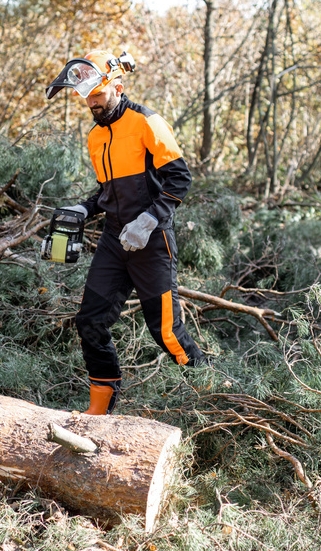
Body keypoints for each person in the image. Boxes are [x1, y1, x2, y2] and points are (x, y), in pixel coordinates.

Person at [45, 49, 207, 415]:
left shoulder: (146, 122)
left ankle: (212, 396)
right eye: (86, 97)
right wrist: (84, 208)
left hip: (153, 242)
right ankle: (100, 409)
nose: (92, 103)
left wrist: (150, 220)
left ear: (116, 87)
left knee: (167, 333)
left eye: (98, 95)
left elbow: (179, 178)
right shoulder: (95, 138)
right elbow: (107, 192)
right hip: (114, 241)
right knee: (90, 322)